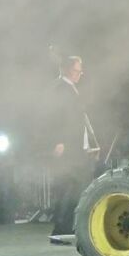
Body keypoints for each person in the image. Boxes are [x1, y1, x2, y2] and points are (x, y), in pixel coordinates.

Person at [46, 54, 100, 244]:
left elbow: (80, 120)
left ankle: (69, 228)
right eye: (78, 70)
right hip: (68, 147)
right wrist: (59, 140)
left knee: (77, 189)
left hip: (77, 146)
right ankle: (61, 230)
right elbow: (56, 116)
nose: (80, 74)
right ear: (69, 70)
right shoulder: (60, 88)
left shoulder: (71, 88)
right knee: (67, 189)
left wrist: (90, 145)